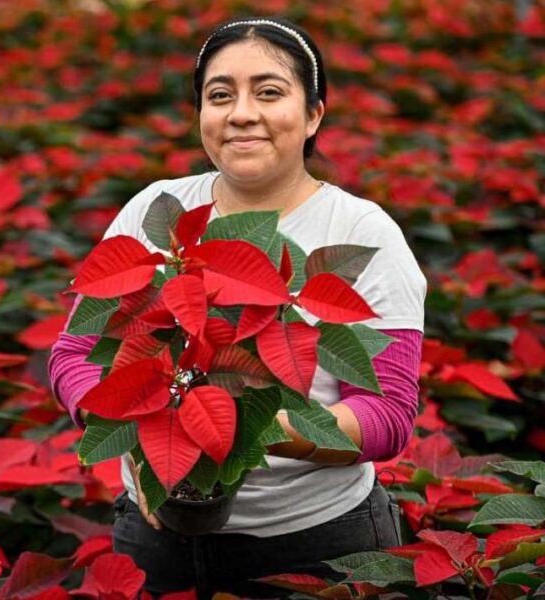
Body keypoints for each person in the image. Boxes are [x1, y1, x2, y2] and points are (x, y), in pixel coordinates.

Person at [47, 16, 427, 599]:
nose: (241, 113)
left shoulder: (362, 231)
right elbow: (74, 354)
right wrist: (142, 435)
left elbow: (388, 415)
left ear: (314, 115)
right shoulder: (160, 208)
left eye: (269, 92)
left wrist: (250, 433)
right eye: (219, 95)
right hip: (153, 539)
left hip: (316, 545)